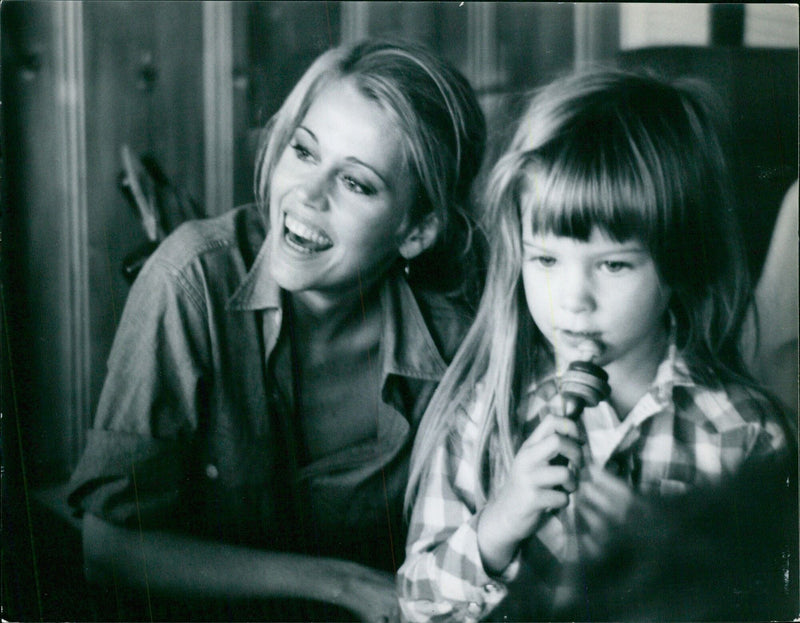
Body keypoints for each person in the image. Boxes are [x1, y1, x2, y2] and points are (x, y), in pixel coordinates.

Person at [67, 39, 485, 623]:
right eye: (305, 152)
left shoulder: (458, 338)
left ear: (416, 231)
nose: (307, 196)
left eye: (357, 183)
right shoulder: (190, 280)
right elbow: (107, 550)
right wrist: (338, 584)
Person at [397, 69, 792, 622]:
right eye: (546, 259)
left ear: (680, 263)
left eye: (613, 264)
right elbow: (417, 604)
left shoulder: (746, 434)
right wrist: (498, 525)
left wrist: (670, 554)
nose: (573, 299)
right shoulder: (482, 418)